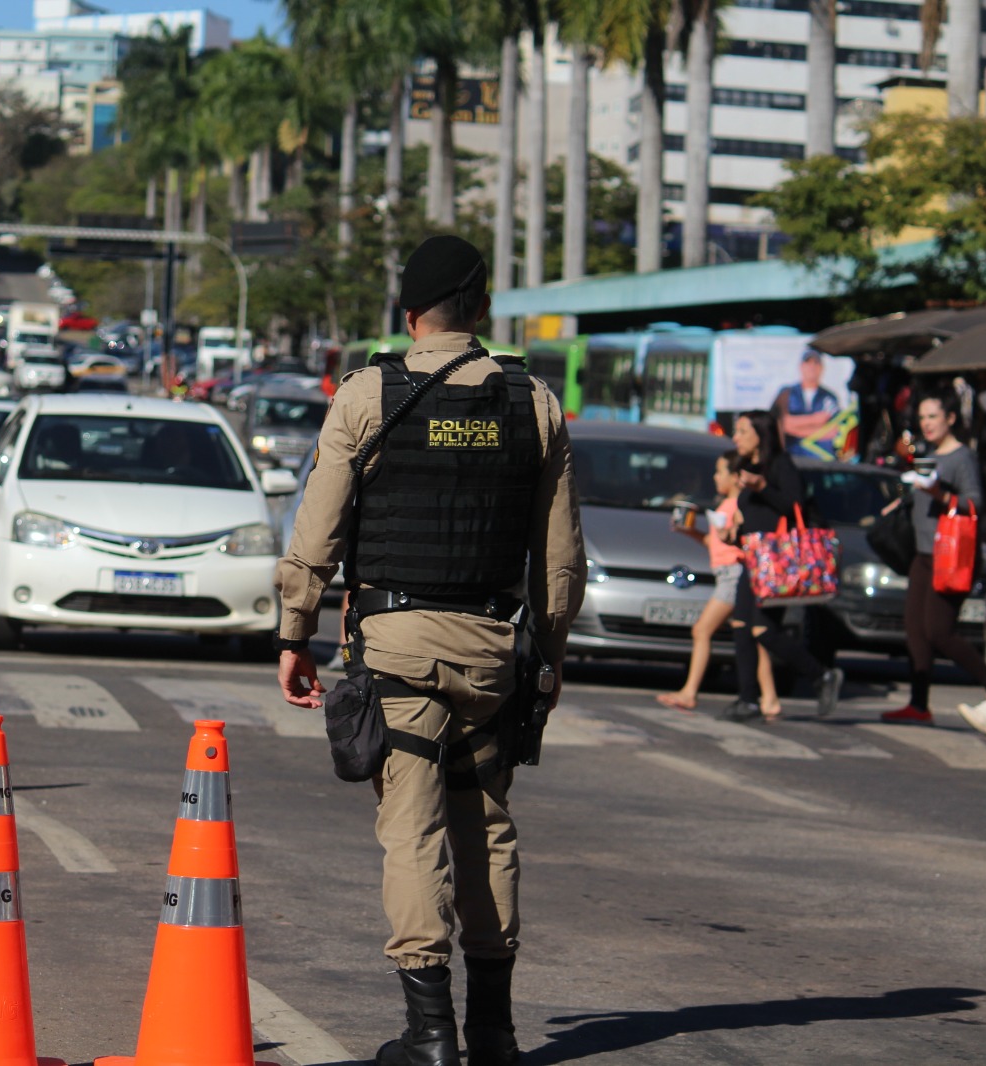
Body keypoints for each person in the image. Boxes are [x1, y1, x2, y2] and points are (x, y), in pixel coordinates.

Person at [274, 235, 585, 1066]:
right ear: (481, 310)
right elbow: (558, 561)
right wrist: (546, 660)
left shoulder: (368, 396)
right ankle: (493, 1030)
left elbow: (318, 529)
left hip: (397, 648)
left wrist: (295, 631)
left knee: (411, 831)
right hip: (491, 650)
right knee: (485, 825)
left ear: (409, 314)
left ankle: (430, 1033)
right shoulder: (535, 403)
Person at [879, 391, 986, 725]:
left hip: (952, 556)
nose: (926, 424)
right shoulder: (926, 454)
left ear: (950, 419)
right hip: (923, 554)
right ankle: (918, 705)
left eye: (933, 416)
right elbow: (918, 497)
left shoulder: (962, 458)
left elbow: (973, 503)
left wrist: (939, 494)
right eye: (923, 417)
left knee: (939, 632)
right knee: (915, 631)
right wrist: (901, 499)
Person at [720, 410, 844, 721]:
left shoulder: (780, 465)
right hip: (753, 560)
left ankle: (822, 674)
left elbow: (794, 505)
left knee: (764, 629)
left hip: (777, 565)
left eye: (742, 431)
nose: (736, 438)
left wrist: (762, 486)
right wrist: (734, 534)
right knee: (741, 627)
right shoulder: (748, 468)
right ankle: (747, 698)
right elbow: (756, 518)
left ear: (761, 434)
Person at [656, 449, 781, 717]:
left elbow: (737, 544)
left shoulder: (736, 507)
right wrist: (691, 532)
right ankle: (769, 698)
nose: (715, 477)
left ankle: (690, 692)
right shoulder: (727, 506)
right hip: (728, 574)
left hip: (733, 576)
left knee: (702, 630)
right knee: (752, 639)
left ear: (736, 477)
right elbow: (717, 544)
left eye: (720, 472)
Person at [775, 350, 840, 439]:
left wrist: (795, 427)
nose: (812, 367)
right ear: (801, 367)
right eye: (808, 363)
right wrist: (815, 420)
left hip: (819, 452)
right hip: (791, 451)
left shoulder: (829, 397)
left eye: (816, 363)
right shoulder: (786, 393)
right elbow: (780, 423)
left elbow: (834, 430)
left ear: (821, 368)